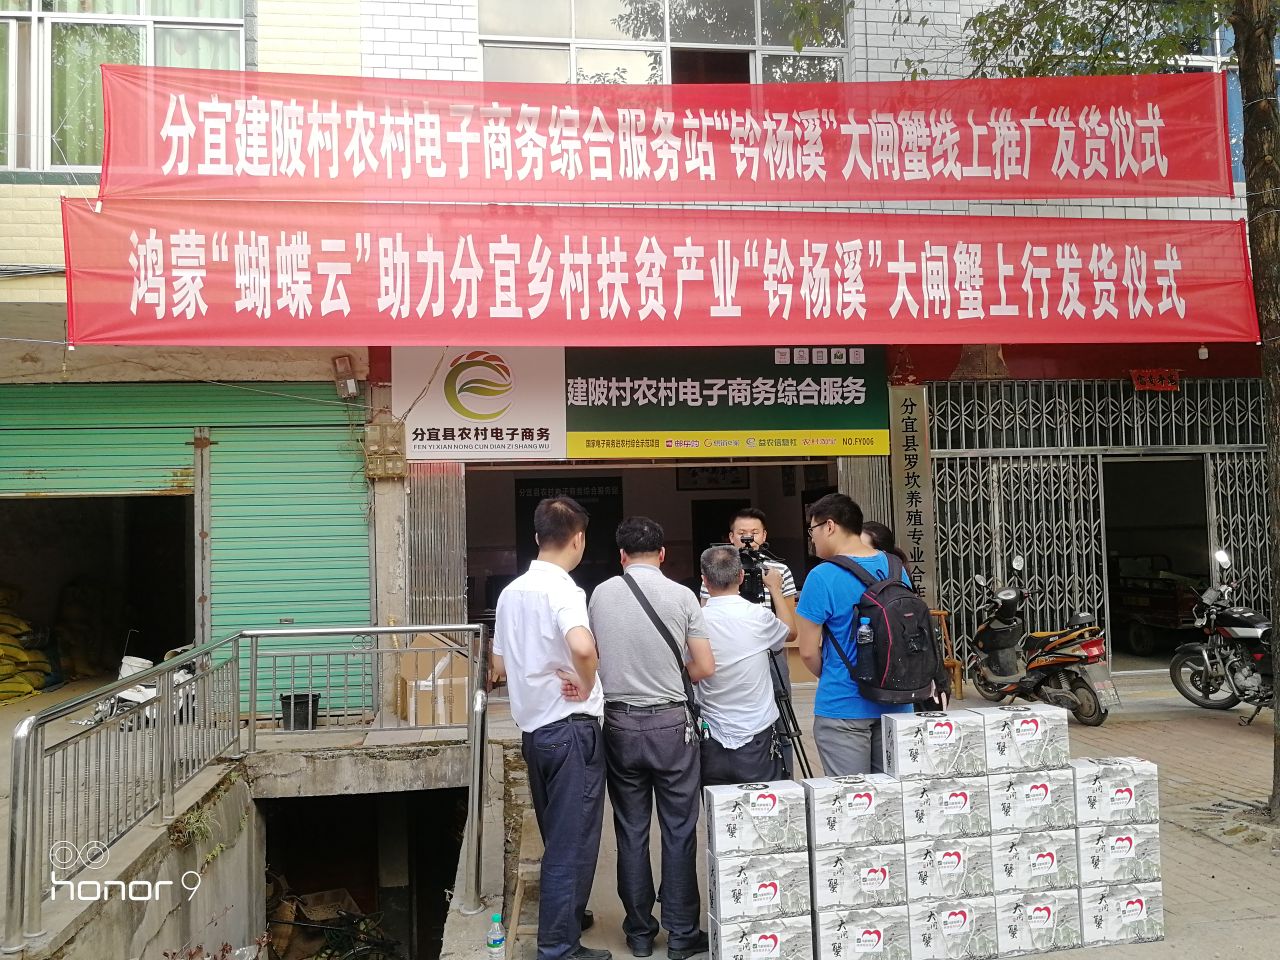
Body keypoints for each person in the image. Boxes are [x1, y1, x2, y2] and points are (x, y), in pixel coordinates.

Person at [587, 517, 714, 960]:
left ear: (621, 555)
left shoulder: (600, 594)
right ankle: (682, 934)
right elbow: (704, 666)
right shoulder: (682, 595)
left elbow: (592, 654)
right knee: (679, 829)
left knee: (630, 829)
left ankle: (639, 932)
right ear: (662, 553)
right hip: (671, 726)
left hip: (619, 724)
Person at [491, 497, 611, 960]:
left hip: (535, 734)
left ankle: (569, 916)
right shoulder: (563, 590)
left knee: (558, 835)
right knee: (571, 843)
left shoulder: (511, 592)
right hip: (571, 731)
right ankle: (559, 947)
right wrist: (588, 681)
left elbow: (499, 665)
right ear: (578, 538)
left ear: (538, 536)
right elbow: (582, 646)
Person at [795, 493, 918, 777]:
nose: (812, 538)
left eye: (812, 530)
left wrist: (837, 674)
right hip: (897, 701)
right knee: (892, 796)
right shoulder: (895, 567)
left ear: (829, 526)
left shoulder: (821, 576)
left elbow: (808, 651)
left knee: (853, 798)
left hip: (844, 706)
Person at [698, 506, 800, 776]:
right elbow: (704, 616)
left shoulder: (778, 570)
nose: (748, 538)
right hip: (727, 653)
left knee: (782, 723)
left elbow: (788, 623)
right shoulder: (717, 568)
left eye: (754, 532)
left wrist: (773, 587)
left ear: (764, 535)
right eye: (742, 532)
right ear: (730, 537)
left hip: (771, 650)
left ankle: (783, 779)